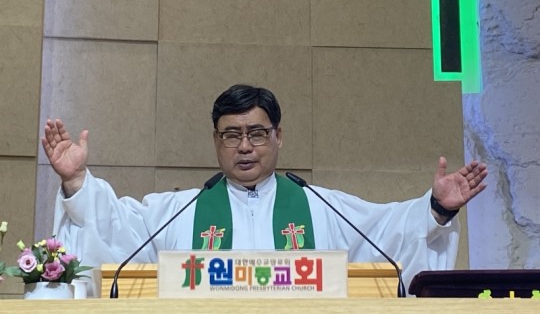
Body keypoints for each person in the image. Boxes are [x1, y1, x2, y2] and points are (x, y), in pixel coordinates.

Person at [43, 84, 487, 295]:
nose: (244, 146)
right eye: (231, 135)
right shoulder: (179, 211)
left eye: (257, 133)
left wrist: (436, 208)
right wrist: (77, 181)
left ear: (278, 137)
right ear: (216, 141)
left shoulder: (320, 206)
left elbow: (386, 233)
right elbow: (116, 230)